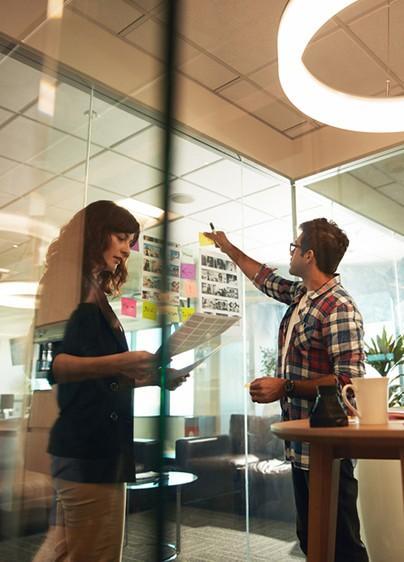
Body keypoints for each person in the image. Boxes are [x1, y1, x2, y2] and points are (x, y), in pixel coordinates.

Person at [205, 218, 368, 562]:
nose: (290, 253)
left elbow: (350, 387)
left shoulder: (339, 307)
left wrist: (287, 387)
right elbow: (264, 278)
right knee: (312, 541)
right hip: (301, 449)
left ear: (308, 256)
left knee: (343, 547)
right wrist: (227, 245)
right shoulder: (302, 296)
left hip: (328, 451)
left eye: (294, 247)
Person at [35, 200, 188, 562]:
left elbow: (101, 379)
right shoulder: (68, 282)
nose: (126, 249)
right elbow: (53, 367)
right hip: (88, 450)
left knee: (63, 551)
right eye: (120, 237)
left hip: (92, 448)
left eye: (130, 241)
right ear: (94, 233)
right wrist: (124, 360)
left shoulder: (91, 290)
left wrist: (154, 380)